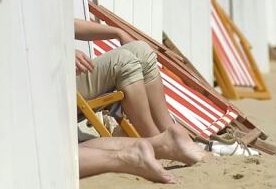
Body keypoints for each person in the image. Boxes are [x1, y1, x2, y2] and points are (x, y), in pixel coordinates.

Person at [74, 19, 206, 168]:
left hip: (67, 73)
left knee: (141, 50)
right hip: (52, 90)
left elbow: (70, 25)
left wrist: (118, 32)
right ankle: (157, 141)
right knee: (122, 61)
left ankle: (171, 131)